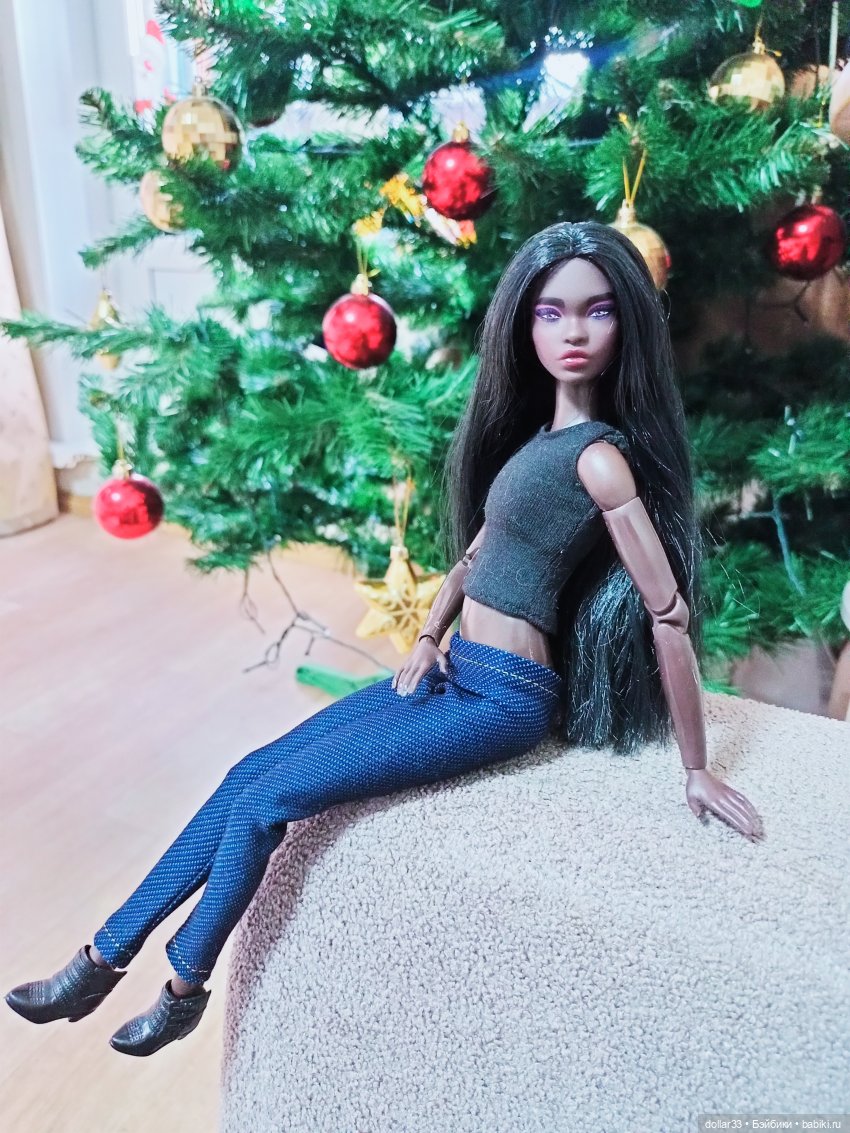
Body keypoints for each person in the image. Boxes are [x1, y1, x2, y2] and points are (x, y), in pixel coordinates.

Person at [5, 221, 762, 1057]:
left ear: (628, 326)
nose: (573, 332)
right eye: (551, 313)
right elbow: (475, 557)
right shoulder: (537, 445)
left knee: (268, 802)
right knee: (247, 771)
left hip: (504, 699)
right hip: (454, 670)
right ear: (524, 324)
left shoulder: (600, 461)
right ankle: (97, 960)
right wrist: (429, 632)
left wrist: (696, 766)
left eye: (599, 311)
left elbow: (666, 613)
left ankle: (183, 988)